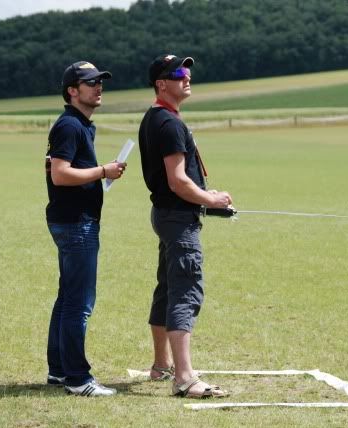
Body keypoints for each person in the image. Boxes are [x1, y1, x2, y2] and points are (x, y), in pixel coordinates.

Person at [138, 54, 233, 398]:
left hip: (166, 214)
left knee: (167, 288)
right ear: (162, 83)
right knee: (185, 291)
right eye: (179, 72)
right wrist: (212, 200)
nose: (187, 75)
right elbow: (178, 181)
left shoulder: (154, 118)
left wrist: (205, 199)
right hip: (178, 218)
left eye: (187, 70)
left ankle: (161, 364)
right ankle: (184, 377)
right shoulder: (170, 124)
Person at [45, 61, 126, 397]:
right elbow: (60, 174)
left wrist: (100, 173)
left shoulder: (80, 125)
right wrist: (102, 171)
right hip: (77, 224)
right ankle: (78, 379)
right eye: (90, 82)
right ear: (72, 91)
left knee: (68, 299)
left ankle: (59, 371)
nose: (98, 86)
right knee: (79, 303)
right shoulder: (69, 126)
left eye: (100, 81)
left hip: (73, 221)